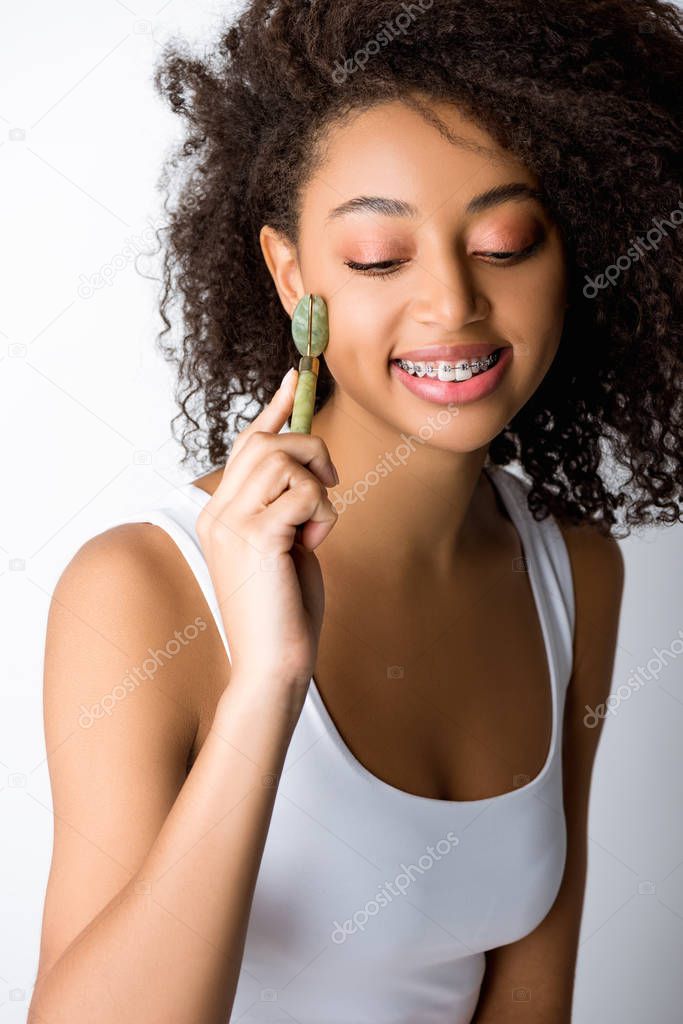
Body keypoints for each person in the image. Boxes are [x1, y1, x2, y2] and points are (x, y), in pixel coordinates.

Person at [29, 1, 682, 1021]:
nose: (452, 304)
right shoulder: (141, 591)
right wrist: (269, 682)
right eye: (380, 257)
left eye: (505, 243)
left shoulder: (573, 571)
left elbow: (528, 998)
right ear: (296, 279)